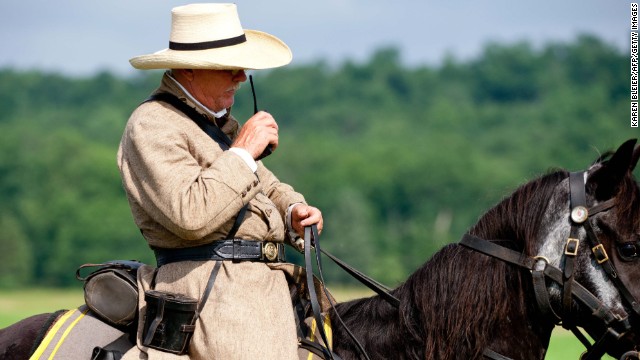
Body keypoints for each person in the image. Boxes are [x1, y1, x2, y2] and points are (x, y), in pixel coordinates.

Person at [117, 3, 323, 359]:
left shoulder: (215, 127)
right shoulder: (153, 123)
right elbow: (188, 214)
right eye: (229, 67)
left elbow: (268, 187)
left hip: (264, 291)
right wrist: (242, 151)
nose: (241, 77)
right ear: (189, 69)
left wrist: (294, 210)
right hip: (212, 297)